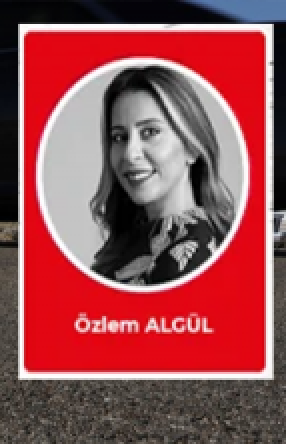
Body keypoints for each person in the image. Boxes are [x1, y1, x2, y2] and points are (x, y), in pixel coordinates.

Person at [88, 65, 235, 286]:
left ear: (191, 146)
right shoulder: (138, 235)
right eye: (119, 137)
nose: (130, 153)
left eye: (150, 132)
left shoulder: (190, 256)